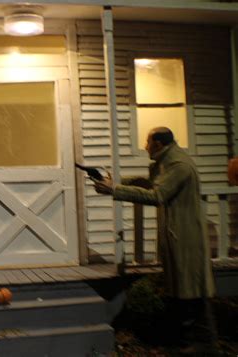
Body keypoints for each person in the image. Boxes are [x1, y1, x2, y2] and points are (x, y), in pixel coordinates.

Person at [93, 127, 216, 353]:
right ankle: (187, 339)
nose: (145, 147)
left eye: (148, 142)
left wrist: (116, 190)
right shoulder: (166, 162)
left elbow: (158, 195)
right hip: (177, 234)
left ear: (158, 144)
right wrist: (116, 182)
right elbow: (150, 182)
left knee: (191, 288)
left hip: (186, 236)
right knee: (182, 287)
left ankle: (203, 341)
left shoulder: (179, 166)